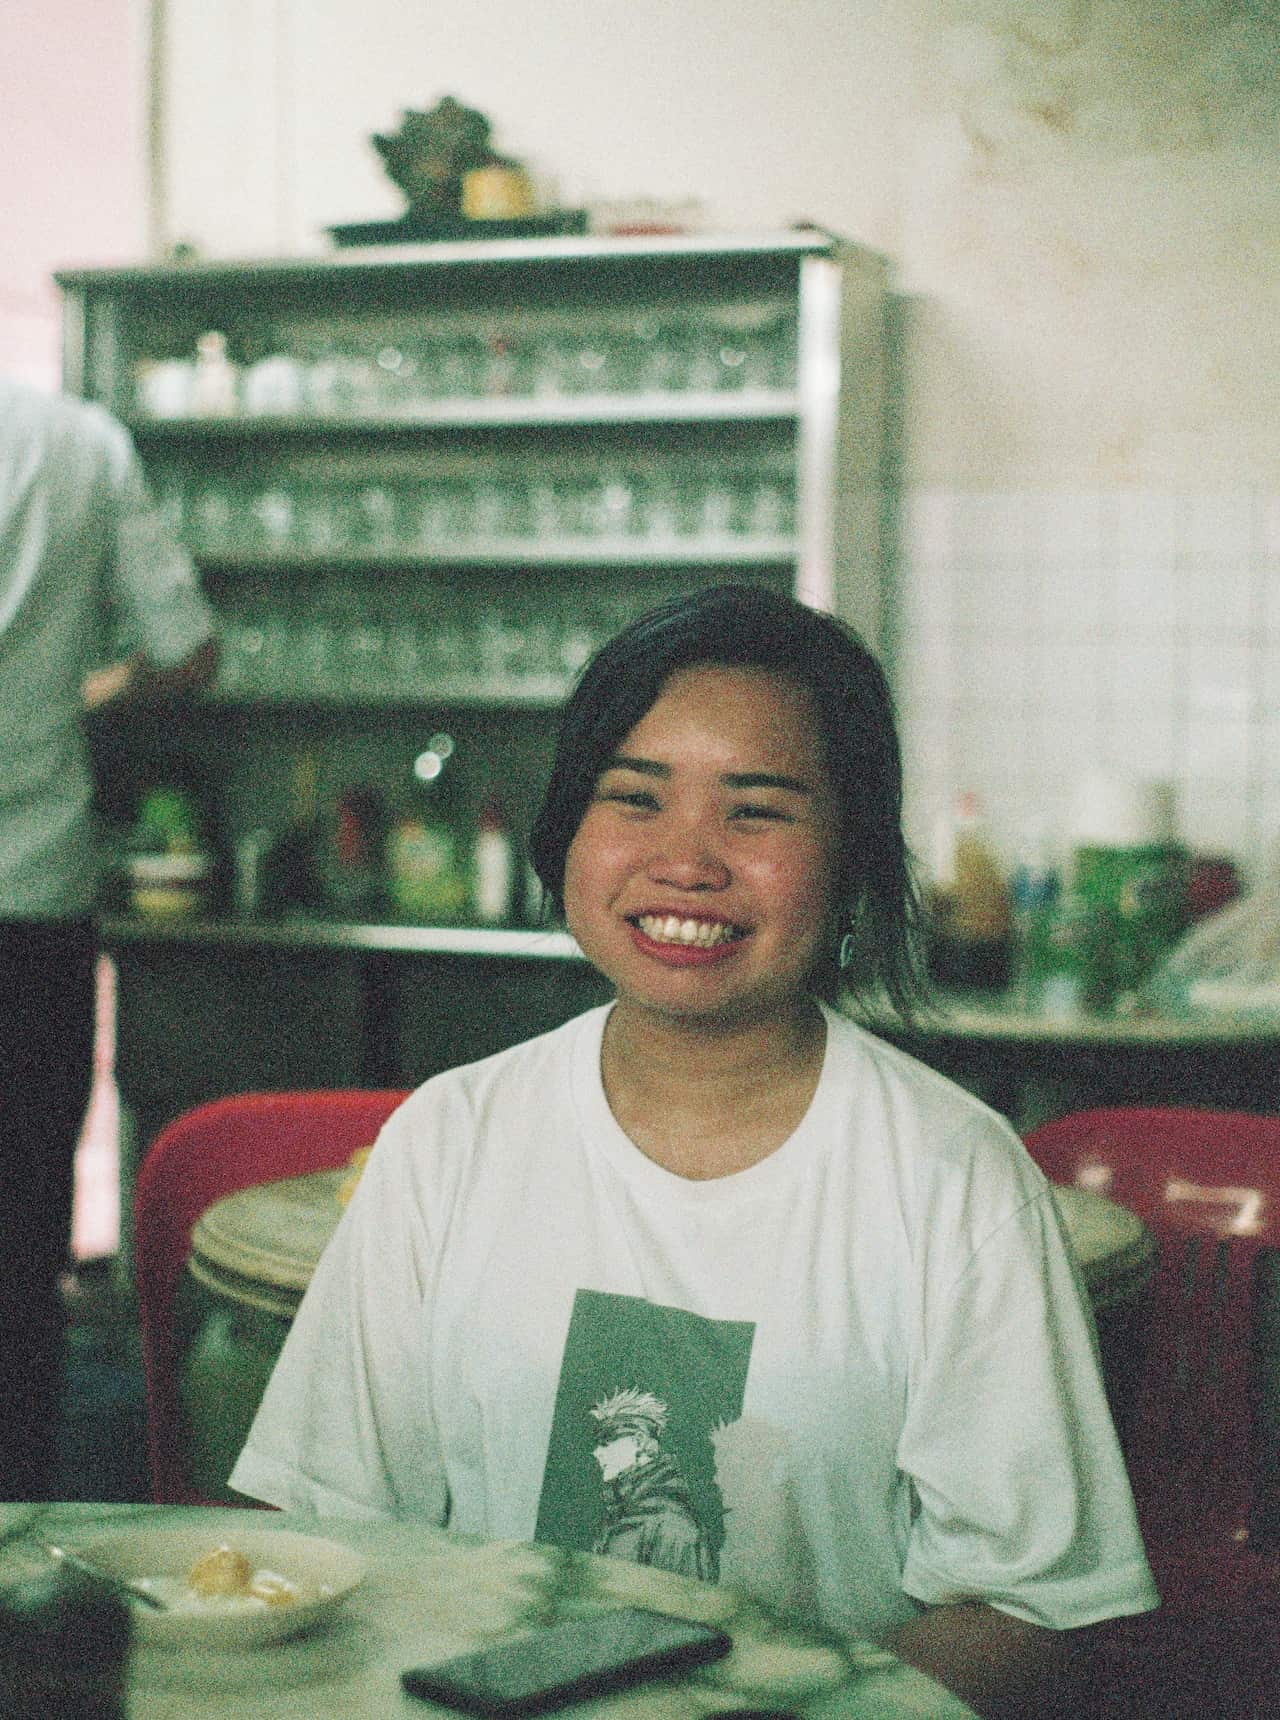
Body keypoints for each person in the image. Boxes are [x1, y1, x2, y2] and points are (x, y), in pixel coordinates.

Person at [231, 583, 1157, 1717]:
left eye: (755, 811)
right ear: (565, 830)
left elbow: (1034, 1615)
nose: (685, 860)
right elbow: (321, 1536)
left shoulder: (952, 1177)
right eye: (634, 797)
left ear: (853, 856)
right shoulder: (451, 1137)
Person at [0, 376, 218, 1500]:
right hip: (30, 901)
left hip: (40, 897)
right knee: (20, 1249)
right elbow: (186, 649)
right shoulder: (76, 443)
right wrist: (65, 693)